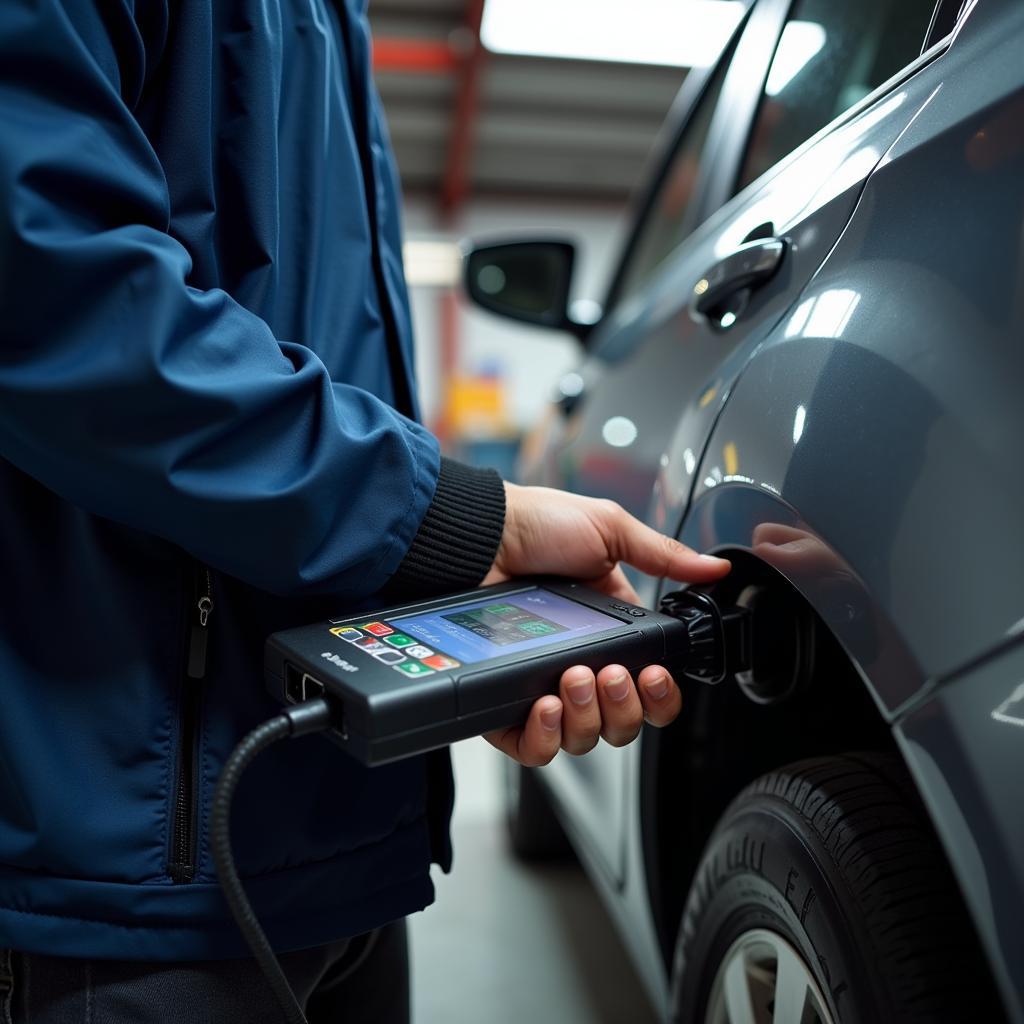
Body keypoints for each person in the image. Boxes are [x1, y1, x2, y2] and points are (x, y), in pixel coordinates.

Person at [0, 0, 730, 1020]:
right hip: (139, 864)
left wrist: (446, 625)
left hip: (344, 827)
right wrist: (452, 521)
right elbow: (50, 287)